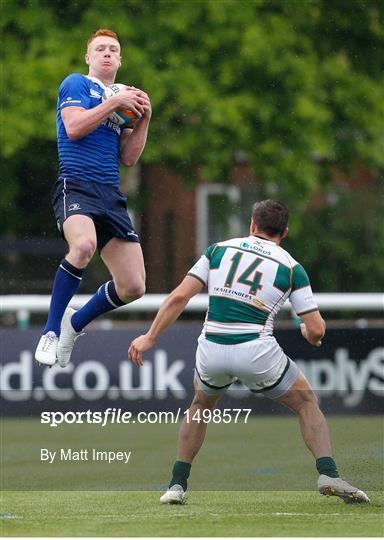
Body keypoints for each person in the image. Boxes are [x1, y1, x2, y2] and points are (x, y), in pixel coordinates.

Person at [129, 199, 370, 505]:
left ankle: (176, 485)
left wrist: (150, 337)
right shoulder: (292, 267)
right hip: (255, 350)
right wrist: (308, 332)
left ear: (252, 225)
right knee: (307, 401)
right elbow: (317, 328)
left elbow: (179, 297)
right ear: (284, 231)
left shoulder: (217, 250)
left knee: (200, 406)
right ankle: (328, 473)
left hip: (212, 347)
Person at [35, 29, 151, 367]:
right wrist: (112, 102)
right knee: (83, 246)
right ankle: (51, 330)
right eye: (99, 49)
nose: (106, 54)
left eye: (113, 50)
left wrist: (145, 117)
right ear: (88, 57)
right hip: (77, 185)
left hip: (110, 194)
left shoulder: (123, 98)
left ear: (119, 59)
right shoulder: (76, 84)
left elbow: (128, 157)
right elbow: (73, 128)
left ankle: (75, 323)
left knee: (133, 286)